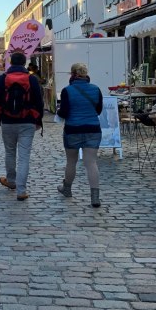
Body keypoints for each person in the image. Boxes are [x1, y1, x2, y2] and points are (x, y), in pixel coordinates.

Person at [0, 52, 44, 201]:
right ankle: (21, 191)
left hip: (8, 121)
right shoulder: (32, 79)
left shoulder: (2, 78)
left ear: (11, 62)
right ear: (24, 63)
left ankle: (11, 181)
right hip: (27, 121)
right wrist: (38, 120)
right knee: (24, 157)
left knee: (10, 152)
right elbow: (39, 102)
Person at [57, 63, 103, 207]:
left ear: (72, 74)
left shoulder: (67, 90)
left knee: (71, 161)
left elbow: (64, 112)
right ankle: (95, 197)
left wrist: (58, 113)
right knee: (91, 163)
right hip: (93, 129)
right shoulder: (96, 89)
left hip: (73, 129)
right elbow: (98, 110)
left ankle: (67, 189)